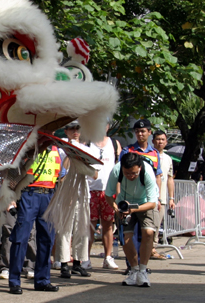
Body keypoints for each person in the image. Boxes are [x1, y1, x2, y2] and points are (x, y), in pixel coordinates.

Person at [7, 144, 60, 294]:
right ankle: (14, 281)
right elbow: (14, 169)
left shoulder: (56, 149)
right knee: (21, 238)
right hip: (29, 193)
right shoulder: (30, 144)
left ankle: (43, 280)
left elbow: (60, 175)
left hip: (49, 195)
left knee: (47, 239)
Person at [106, 152, 158, 286]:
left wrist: (133, 209)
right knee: (126, 237)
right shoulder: (117, 170)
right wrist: (117, 208)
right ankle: (134, 270)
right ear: (122, 168)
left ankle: (143, 270)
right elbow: (108, 194)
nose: (130, 176)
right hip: (124, 204)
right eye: (127, 173)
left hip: (145, 203)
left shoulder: (147, 172)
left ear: (139, 167)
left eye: (134, 173)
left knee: (148, 232)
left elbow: (153, 203)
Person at [55, 120, 92, 278]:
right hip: (66, 191)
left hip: (82, 190)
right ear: (66, 131)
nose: (75, 131)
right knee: (64, 229)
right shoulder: (61, 148)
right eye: (71, 128)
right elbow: (62, 170)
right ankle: (64, 263)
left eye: (77, 128)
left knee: (81, 228)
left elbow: (93, 172)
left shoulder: (86, 149)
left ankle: (78, 262)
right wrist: (71, 151)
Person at [86, 124, 120, 269]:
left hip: (108, 191)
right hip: (90, 189)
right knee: (90, 225)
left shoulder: (114, 143)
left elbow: (118, 168)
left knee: (108, 225)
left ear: (108, 126)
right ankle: (85, 258)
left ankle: (108, 257)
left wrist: (118, 191)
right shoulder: (87, 142)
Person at [150, 130, 175, 260]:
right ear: (153, 141)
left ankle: (152, 248)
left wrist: (171, 198)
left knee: (157, 224)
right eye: (157, 139)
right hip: (150, 197)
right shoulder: (149, 155)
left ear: (166, 142)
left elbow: (170, 179)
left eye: (162, 139)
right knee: (149, 225)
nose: (160, 142)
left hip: (163, 198)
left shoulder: (168, 159)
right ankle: (148, 249)